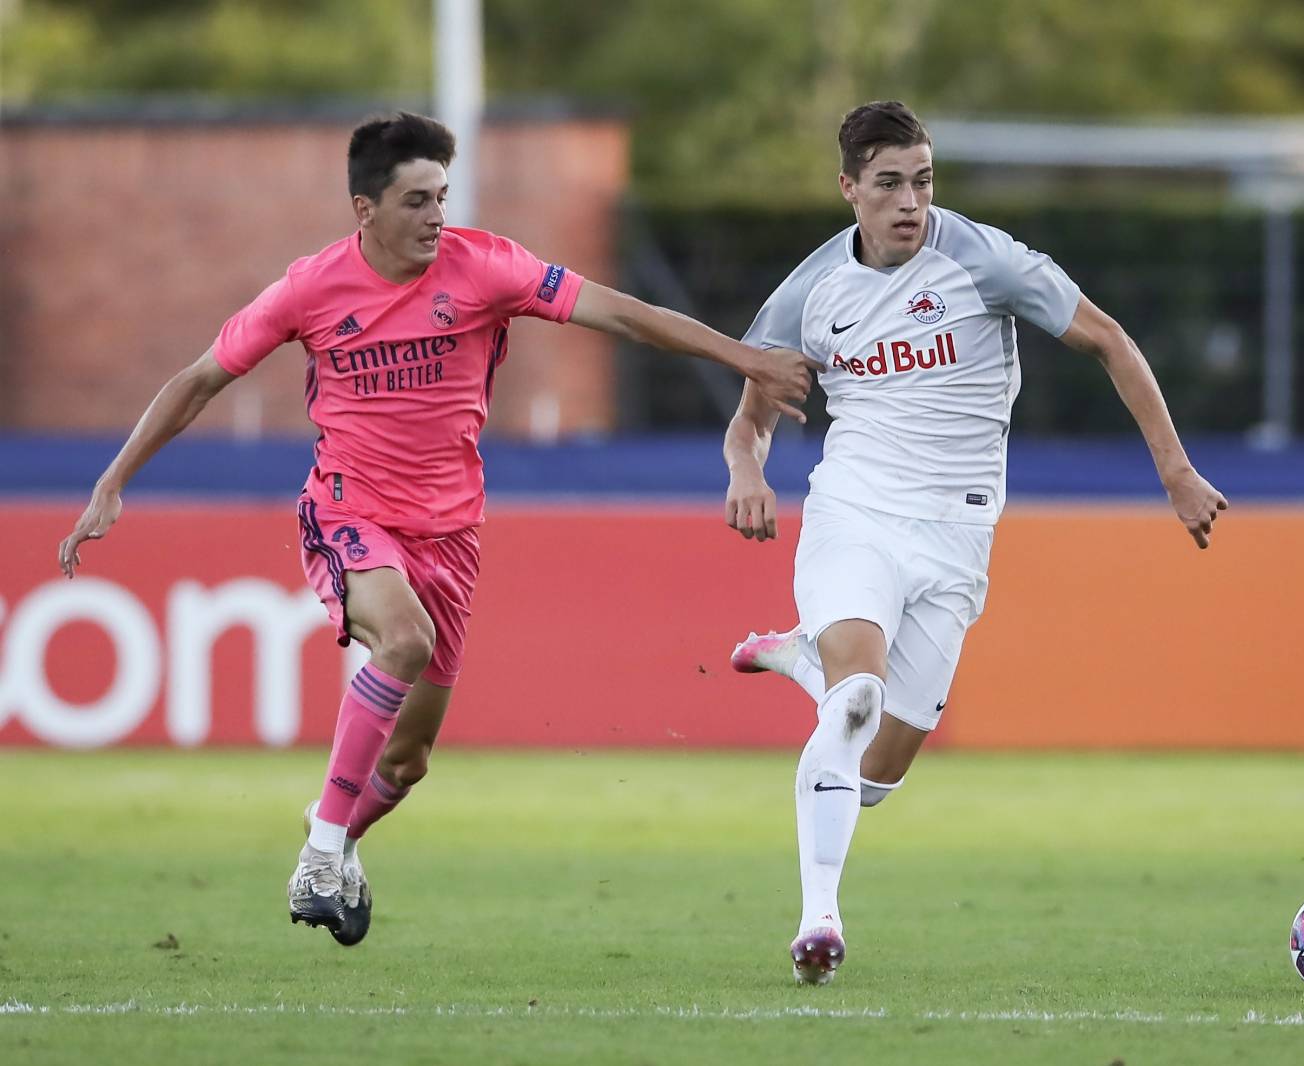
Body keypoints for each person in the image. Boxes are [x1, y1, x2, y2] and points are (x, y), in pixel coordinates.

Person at [57, 111, 818, 946]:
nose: (435, 217)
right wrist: (113, 481)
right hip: (348, 509)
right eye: (416, 200)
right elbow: (200, 379)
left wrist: (742, 357)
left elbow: (624, 315)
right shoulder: (310, 288)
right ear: (364, 209)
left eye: (441, 198)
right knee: (404, 640)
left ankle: (336, 831)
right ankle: (318, 852)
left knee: (408, 761)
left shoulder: (488, 268)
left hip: (451, 532)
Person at [721, 101, 1227, 985]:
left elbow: (1107, 339)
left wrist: (1176, 471)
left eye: (922, 181)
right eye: (888, 185)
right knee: (855, 703)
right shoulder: (808, 294)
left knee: (878, 767)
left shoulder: (986, 260)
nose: (910, 202)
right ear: (849, 189)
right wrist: (746, 474)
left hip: (957, 535)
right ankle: (820, 921)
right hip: (856, 514)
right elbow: (752, 417)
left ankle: (800, 658)